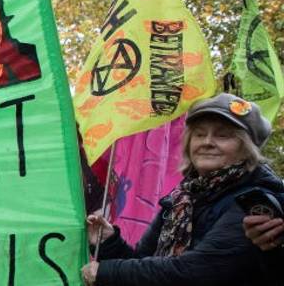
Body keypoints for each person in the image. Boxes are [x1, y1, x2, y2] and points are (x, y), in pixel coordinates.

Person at [80, 93, 282, 285]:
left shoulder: (257, 200)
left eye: (222, 136)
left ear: (246, 148)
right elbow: (143, 262)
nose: (207, 142)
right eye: (200, 134)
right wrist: (107, 242)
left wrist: (108, 272)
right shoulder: (181, 200)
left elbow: (198, 271)